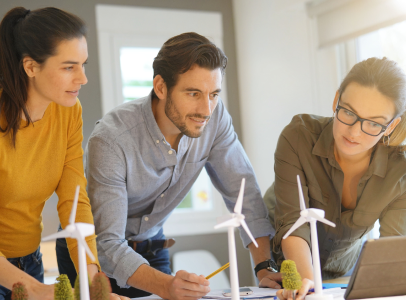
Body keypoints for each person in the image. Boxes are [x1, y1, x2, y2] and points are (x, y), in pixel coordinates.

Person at [56, 32, 282, 299]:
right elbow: (107, 243)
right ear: (161, 87)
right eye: (194, 93)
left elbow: (244, 194)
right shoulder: (111, 139)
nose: (206, 109)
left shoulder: (214, 118)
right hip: (90, 253)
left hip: (153, 246)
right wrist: (165, 286)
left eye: (213, 94)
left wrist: (264, 267)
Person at [0, 7, 116, 300]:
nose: (82, 78)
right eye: (69, 67)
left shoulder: (69, 112)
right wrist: (34, 289)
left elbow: (74, 202)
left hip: (28, 259)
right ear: (31, 67)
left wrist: (95, 282)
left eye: (83, 64)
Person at [262, 57, 406, 300]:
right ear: (336, 100)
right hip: (283, 265)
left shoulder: (401, 173)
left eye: (373, 123)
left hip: (342, 272)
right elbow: (294, 224)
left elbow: (393, 255)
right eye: (348, 112)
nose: (354, 132)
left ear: (390, 126)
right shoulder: (298, 136)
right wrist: (308, 284)